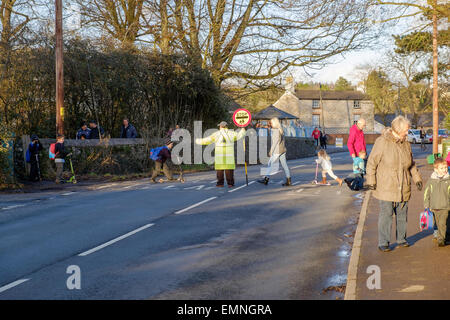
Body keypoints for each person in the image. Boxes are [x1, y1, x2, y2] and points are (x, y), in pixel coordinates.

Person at [366, 115, 423, 252]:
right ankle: (383, 242)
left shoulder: (406, 144)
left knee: (402, 214)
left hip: (403, 184)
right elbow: (371, 163)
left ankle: (401, 239)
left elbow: (411, 164)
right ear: (398, 129)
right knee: (386, 214)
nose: (407, 133)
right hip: (386, 185)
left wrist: (417, 179)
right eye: (406, 130)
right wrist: (371, 181)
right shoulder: (382, 142)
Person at [195, 121, 246, 188]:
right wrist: (243, 129)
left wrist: (197, 141)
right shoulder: (232, 133)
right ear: (227, 126)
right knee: (229, 171)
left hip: (219, 156)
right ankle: (230, 184)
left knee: (220, 171)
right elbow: (240, 136)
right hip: (229, 156)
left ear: (220, 126)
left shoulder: (216, 134)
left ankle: (220, 184)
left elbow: (207, 140)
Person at [258, 117, 291, 186]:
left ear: (274, 123)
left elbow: (275, 142)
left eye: (271, 123)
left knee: (270, 164)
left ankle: (266, 179)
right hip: (282, 149)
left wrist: (271, 151)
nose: (270, 124)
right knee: (284, 165)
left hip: (277, 150)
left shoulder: (275, 130)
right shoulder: (281, 130)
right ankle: (289, 180)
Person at [423, 158, 449, 247]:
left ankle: (441, 239)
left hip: (445, 206)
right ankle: (440, 236)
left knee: (442, 223)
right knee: (438, 223)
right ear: (436, 169)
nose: (444, 170)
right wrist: (426, 204)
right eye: (442, 168)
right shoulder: (431, 181)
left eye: (445, 167)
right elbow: (426, 193)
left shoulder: (448, 180)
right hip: (434, 207)